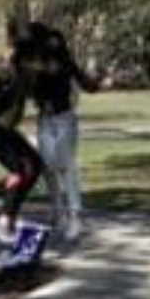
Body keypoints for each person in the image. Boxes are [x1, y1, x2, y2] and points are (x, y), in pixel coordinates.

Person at [0, 22, 45, 244]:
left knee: (35, 165)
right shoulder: (5, 71)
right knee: (20, 171)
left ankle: (9, 217)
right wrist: (2, 66)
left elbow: (38, 88)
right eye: (33, 59)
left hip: (5, 130)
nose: (36, 63)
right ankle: (4, 222)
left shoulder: (26, 74)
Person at [28, 20, 101, 243]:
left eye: (56, 43)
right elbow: (30, 89)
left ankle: (75, 214)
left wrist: (98, 80)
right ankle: (57, 211)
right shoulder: (36, 66)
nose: (52, 46)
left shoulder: (67, 64)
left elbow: (87, 85)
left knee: (66, 166)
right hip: (44, 121)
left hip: (64, 119)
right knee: (48, 167)